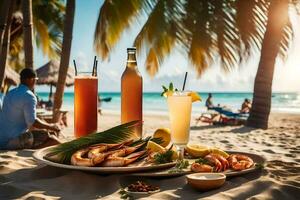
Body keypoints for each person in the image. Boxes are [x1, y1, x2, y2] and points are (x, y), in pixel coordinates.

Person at [0, 68, 61, 150]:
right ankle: (34, 149)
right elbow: (32, 122)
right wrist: (51, 126)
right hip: (11, 142)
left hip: (1, 140)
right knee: (53, 140)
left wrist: (47, 128)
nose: (35, 82)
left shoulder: (10, 93)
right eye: (35, 80)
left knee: (46, 134)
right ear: (30, 80)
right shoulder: (29, 96)